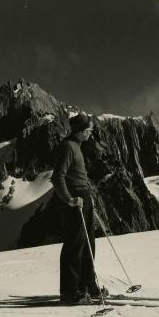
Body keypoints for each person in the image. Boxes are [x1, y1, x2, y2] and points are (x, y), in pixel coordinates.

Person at [51, 113, 107, 304]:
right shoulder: (67, 147)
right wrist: (69, 199)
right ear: (82, 131)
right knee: (75, 244)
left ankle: (87, 286)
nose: (91, 134)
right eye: (89, 130)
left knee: (89, 242)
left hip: (84, 196)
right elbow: (57, 177)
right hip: (75, 198)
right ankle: (70, 291)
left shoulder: (77, 147)